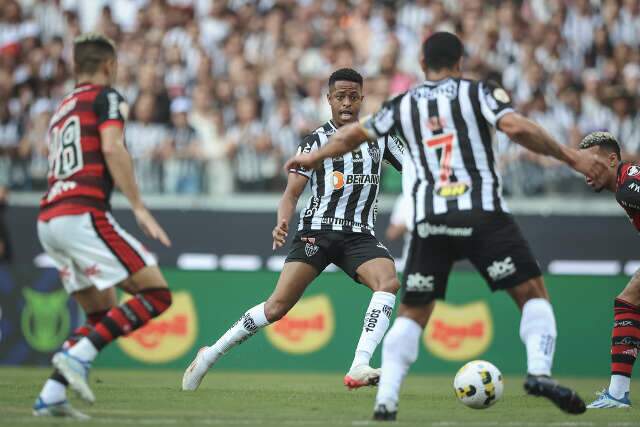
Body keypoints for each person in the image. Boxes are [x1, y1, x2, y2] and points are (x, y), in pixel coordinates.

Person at [285, 32, 609, 421]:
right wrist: (572, 157)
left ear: (423, 64)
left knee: (412, 311)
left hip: (431, 218)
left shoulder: (404, 103)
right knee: (531, 291)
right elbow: (519, 128)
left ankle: (386, 400)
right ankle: (539, 371)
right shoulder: (480, 93)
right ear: (460, 62)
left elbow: (354, 134)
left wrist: (315, 155)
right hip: (481, 211)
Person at [182, 68, 404, 391]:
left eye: (352, 97)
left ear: (361, 98)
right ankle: (210, 355)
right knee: (276, 307)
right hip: (318, 231)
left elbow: (414, 165)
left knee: (388, 281)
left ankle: (359, 364)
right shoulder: (315, 141)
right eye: (339, 97)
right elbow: (291, 195)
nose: (346, 103)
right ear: (328, 99)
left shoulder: (380, 137)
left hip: (359, 235)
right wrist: (282, 220)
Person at [33, 33, 173, 419]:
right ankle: (77, 358)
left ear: (76, 67)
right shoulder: (106, 96)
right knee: (157, 295)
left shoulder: (63, 107)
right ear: (109, 66)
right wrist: (139, 208)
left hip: (50, 219)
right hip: (82, 213)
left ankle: (51, 395)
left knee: (100, 315)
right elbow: (112, 146)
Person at [579, 131, 639, 409]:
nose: (585, 171)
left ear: (612, 159)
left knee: (628, 301)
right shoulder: (627, 184)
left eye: (592, 162)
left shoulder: (629, 187)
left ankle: (617, 393)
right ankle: (617, 393)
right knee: (629, 300)